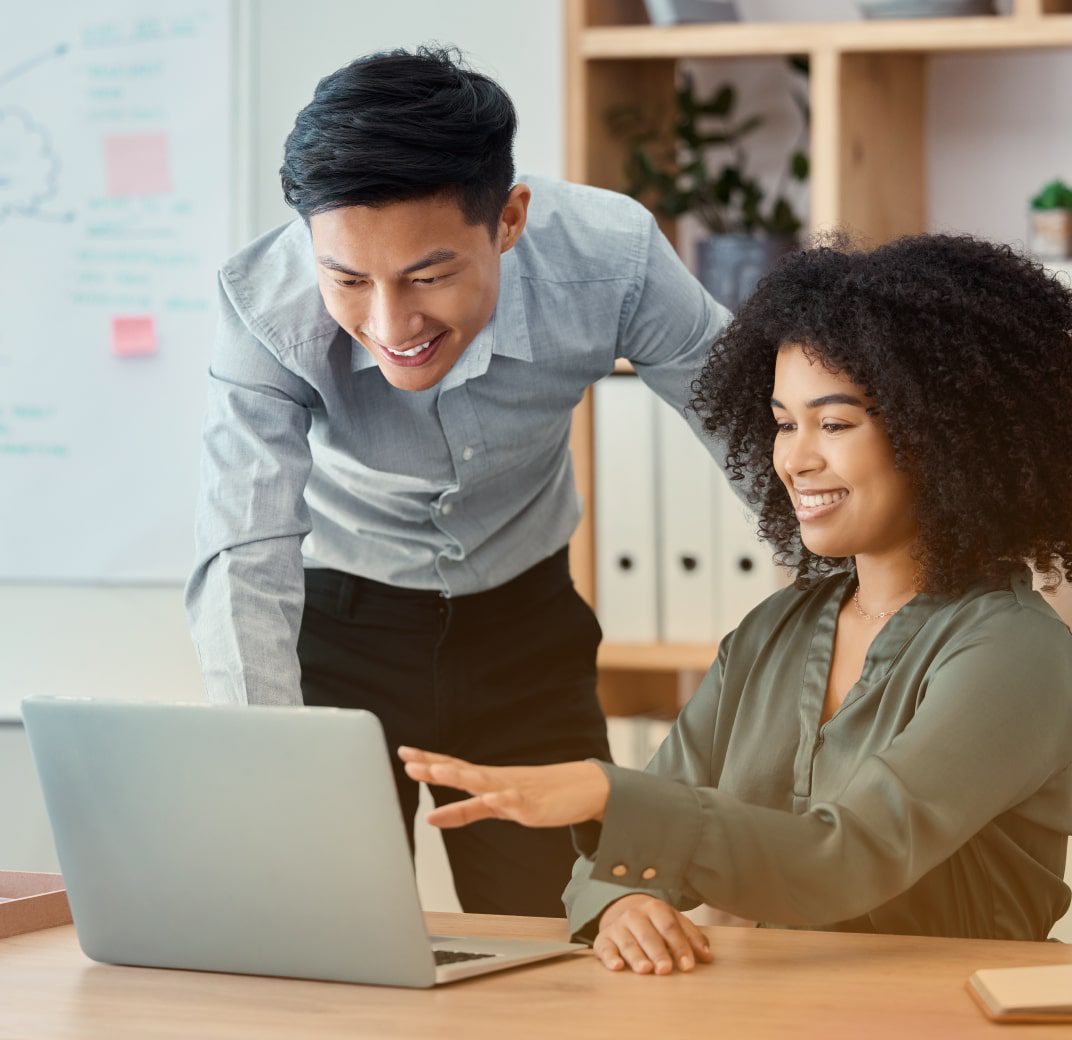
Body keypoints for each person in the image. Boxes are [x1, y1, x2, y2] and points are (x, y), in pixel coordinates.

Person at [399, 233, 1072, 969]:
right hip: (770, 1008)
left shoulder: (1020, 653)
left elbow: (846, 858)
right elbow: (610, 865)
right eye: (784, 422)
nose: (794, 458)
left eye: (834, 423)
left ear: (948, 434)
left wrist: (607, 797)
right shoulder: (775, 630)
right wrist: (625, 902)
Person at [184, 45, 730, 917]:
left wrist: (864, 611)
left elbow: (756, 429)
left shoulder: (612, 257)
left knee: (564, 938)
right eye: (348, 278)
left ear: (508, 219)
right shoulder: (263, 306)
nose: (389, 322)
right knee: (326, 938)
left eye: (429, 276)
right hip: (335, 639)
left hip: (524, 633)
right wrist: (267, 765)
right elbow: (244, 546)